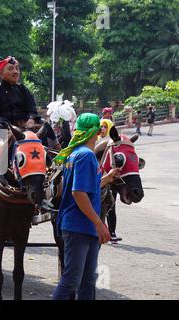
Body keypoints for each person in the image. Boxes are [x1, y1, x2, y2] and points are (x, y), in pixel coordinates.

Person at [52, 113, 121, 300]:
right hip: (79, 226)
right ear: (97, 131)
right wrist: (99, 223)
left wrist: (107, 178)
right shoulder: (87, 156)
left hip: (83, 226)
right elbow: (78, 193)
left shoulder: (75, 154)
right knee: (71, 281)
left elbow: (87, 186)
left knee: (88, 280)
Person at [0, 56, 38, 136]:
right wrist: (11, 127)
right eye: (11, 68)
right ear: (1, 74)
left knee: (43, 123)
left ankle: (53, 147)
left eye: (17, 68)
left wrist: (31, 118)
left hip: (25, 126)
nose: (15, 71)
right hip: (5, 127)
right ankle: (4, 148)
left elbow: (32, 109)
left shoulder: (23, 89)